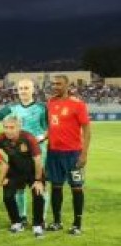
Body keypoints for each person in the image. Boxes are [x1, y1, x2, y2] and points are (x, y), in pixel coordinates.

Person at [0, 79, 48, 226]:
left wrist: (42, 137)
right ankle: (22, 216)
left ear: (33, 90)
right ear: (17, 91)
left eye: (26, 88)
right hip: (17, 154)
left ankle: (41, 218)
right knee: (19, 187)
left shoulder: (42, 107)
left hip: (38, 152)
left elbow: (51, 128)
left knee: (40, 185)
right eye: (21, 88)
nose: (23, 91)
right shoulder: (11, 108)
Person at [45, 75, 91, 236]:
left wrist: (84, 154)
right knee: (56, 187)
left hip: (73, 154)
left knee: (76, 188)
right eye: (53, 84)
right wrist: (44, 137)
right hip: (54, 153)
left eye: (59, 84)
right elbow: (52, 126)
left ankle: (77, 224)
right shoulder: (50, 102)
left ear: (67, 85)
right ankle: (57, 222)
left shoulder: (77, 104)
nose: (55, 86)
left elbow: (87, 130)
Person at [0, 116, 45, 238]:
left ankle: (37, 225)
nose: (8, 130)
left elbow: (38, 160)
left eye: (12, 127)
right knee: (7, 197)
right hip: (14, 171)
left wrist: (38, 180)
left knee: (38, 195)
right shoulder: (1, 137)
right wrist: (3, 163)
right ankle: (16, 222)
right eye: (6, 127)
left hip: (33, 172)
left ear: (19, 127)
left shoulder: (28, 138)